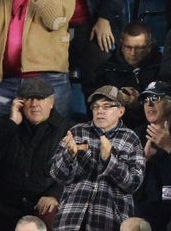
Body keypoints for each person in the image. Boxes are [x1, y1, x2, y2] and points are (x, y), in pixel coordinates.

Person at [48, 86, 145, 231]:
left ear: (121, 111)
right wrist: (68, 155)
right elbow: (56, 174)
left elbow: (134, 184)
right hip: (71, 219)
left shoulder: (131, 139)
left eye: (107, 106)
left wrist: (109, 160)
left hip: (109, 221)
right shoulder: (76, 132)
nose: (100, 111)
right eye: (96, 107)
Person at [0, 76, 69, 230]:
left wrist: (55, 194)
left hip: (40, 207)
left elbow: (77, 170)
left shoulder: (68, 130)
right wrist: (11, 125)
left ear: (51, 102)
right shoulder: (3, 125)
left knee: (53, 217)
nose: (34, 104)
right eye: (29, 98)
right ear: (20, 102)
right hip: (2, 205)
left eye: (40, 98)